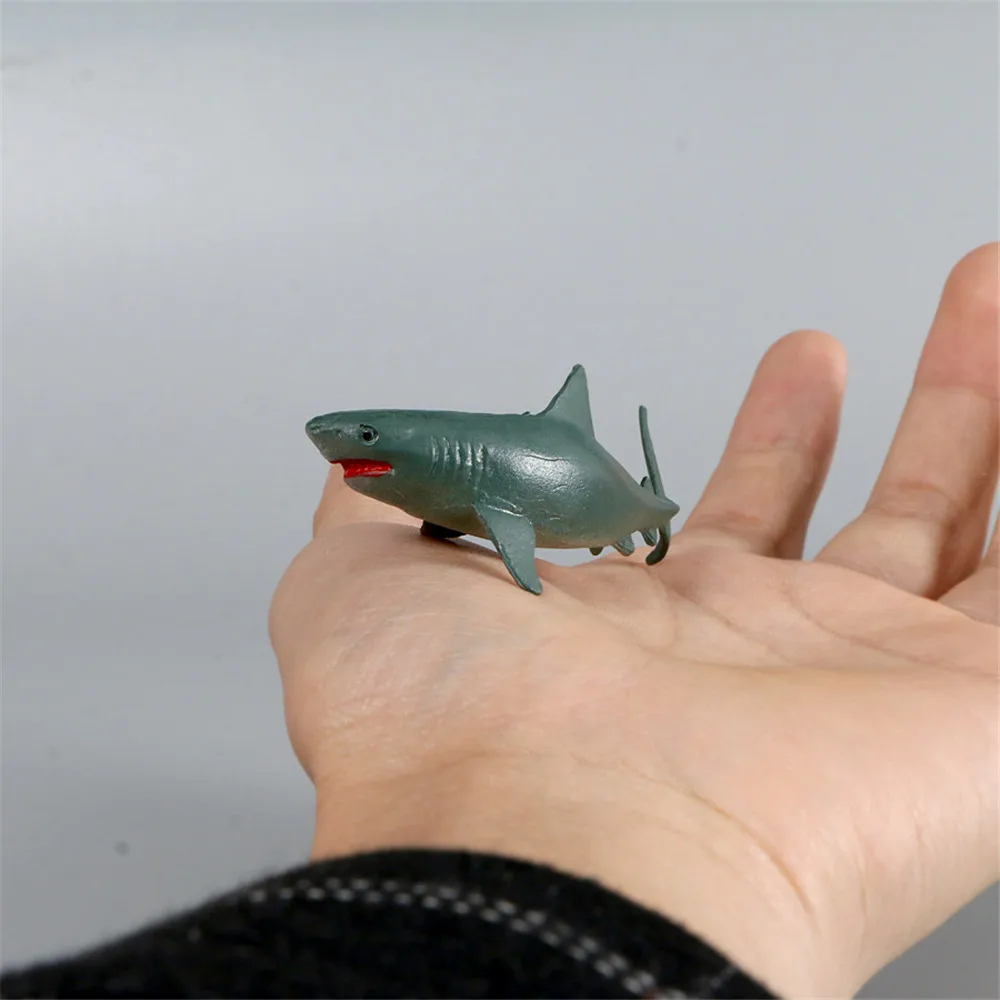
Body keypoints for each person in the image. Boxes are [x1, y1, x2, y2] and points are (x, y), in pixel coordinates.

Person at [3, 244, 996, 1000]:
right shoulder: (429, 493)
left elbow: (505, 522)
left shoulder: (505, 489)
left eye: (358, 443)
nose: (340, 452)